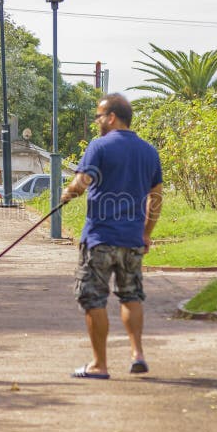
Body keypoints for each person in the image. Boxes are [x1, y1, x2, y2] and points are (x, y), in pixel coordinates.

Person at [61, 93, 163, 379]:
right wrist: (146, 233)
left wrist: (67, 193)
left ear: (112, 117)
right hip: (132, 240)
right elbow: (156, 198)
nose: (97, 122)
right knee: (131, 296)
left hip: (100, 238)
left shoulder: (99, 146)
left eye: (99, 116)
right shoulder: (149, 152)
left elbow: (81, 182)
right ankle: (137, 354)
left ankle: (99, 365)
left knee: (93, 298)